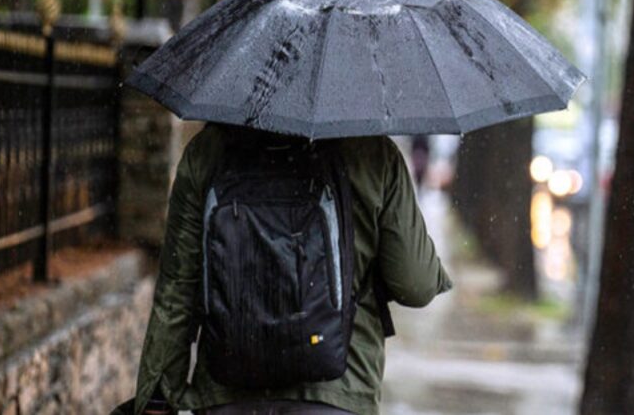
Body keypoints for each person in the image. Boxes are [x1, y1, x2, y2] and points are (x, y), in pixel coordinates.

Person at [115, 123, 452, 415]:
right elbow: (416, 286)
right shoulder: (372, 152)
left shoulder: (209, 149)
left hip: (227, 389)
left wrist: (158, 393)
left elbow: (178, 288)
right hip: (340, 390)